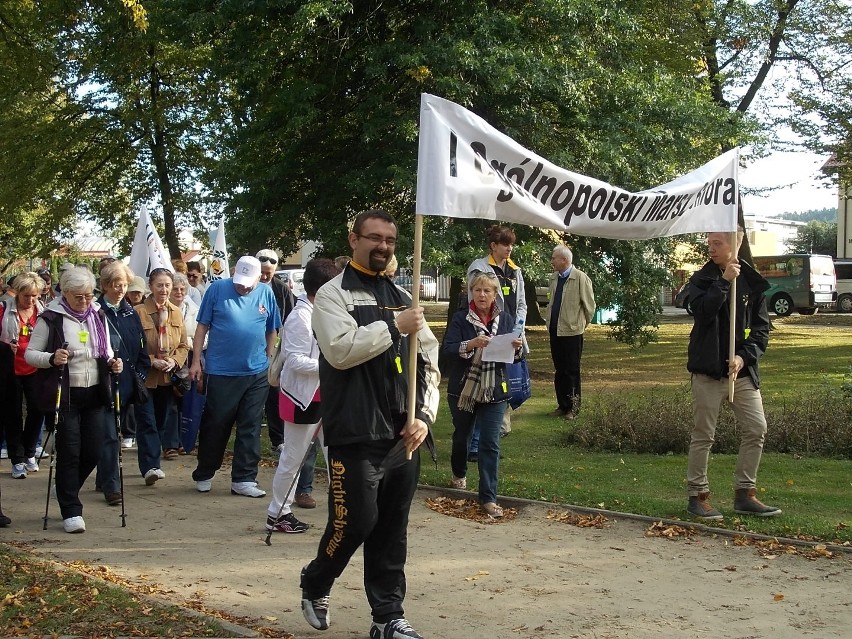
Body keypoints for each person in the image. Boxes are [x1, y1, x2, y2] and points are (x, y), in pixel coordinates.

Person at [300, 209, 440, 639]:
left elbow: (430, 363)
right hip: (355, 432)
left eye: (390, 241)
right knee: (355, 522)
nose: (383, 246)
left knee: (392, 530)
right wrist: (394, 326)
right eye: (374, 238)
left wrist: (424, 416)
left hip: (403, 435)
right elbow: (340, 351)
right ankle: (316, 581)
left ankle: (387, 617)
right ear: (353, 240)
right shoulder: (332, 296)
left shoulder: (403, 294)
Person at [685, 229, 781, 520]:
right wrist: (723, 282)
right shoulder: (701, 280)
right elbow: (702, 312)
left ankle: (744, 493)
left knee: (756, 428)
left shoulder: (752, 284)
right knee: (704, 434)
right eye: (710, 243)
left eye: (718, 243)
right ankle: (697, 496)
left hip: (741, 373)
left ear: (734, 244)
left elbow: (762, 332)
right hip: (708, 371)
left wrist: (743, 357)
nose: (711, 248)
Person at [26, 266, 123, 533]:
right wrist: (51, 358)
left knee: (94, 449)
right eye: (78, 296)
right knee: (69, 450)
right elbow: (30, 354)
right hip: (66, 394)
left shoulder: (98, 315)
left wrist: (115, 363)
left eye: (89, 295)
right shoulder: (51, 318)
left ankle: (66, 488)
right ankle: (71, 510)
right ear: (65, 293)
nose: (84, 301)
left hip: (94, 392)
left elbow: (107, 351)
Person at [190, 256, 280, 497]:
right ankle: (205, 472)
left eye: (247, 283)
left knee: (250, 425)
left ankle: (244, 478)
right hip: (221, 371)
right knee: (217, 423)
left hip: (257, 371)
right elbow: (201, 327)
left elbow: (272, 329)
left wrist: (269, 357)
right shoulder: (217, 290)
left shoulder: (266, 293)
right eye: (239, 282)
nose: (243, 287)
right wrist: (196, 360)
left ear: (259, 277)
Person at [265, 258, 340, 533]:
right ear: (323, 288)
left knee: (338, 456)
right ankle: (277, 513)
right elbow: (294, 360)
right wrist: (331, 366)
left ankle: (343, 509)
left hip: (326, 397)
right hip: (301, 398)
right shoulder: (300, 317)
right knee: (293, 458)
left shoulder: (323, 313)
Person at [444, 271, 522, 519]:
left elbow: (519, 355)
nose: (481, 294)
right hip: (464, 389)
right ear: (471, 293)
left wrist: (517, 349)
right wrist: (471, 344)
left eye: (487, 290)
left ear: (495, 294)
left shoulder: (507, 319)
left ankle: (488, 497)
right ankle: (459, 473)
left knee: (490, 443)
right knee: (462, 437)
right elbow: (447, 350)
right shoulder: (460, 319)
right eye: (477, 290)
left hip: (495, 390)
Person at [466, 225, 527, 447]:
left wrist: (517, 331)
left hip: (509, 334)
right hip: (486, 332)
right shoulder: (479, 268)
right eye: (505, 244)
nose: (510, 248)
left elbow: (521, 304)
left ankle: (496, 432)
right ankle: (475, 442)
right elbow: (473, 302)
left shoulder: (515, 271)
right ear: (493, 246)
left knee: (503, 384)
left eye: (511, 244)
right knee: (483, 387)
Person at [95, 262, 150, 505]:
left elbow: (141, 347)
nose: (120, 290)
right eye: (116, 285)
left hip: (129, 382)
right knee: (109, 435)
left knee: (120, 430)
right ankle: (111, 485)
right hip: (103, 384)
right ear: (105, 286)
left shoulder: (130, 313)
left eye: (124, 285)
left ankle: (103, 477)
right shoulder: (95, 313)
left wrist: (139, 374)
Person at [134, 268, 189, 485]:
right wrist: (150, 359)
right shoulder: (138, 312)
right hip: (145, 378)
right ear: (151, 286)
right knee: (146, 421)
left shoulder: (176, 311)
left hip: (167, 379)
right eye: (160, 285)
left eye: (168, 285)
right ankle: (150, 466)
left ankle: (151, 459)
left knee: (160, 421)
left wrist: (174, 361)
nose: (164, 290)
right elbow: (132, 346)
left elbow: (184, 344)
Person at [0, 273, 46, 478]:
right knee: (13, 414)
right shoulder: (4, 309)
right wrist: (5, 346)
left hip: (35, 367)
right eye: (26, 296)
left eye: (34, 296)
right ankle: (17, 458)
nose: (30, 300)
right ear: (17, 293)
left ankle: (29, 452)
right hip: (11, 368)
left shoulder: (43, 312)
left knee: (38, 408)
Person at [544, 244, 595, 420]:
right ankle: (562, 405)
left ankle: (573, 408)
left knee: (572, 371)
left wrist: (580, 325)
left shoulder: (580, 278)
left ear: (564, 260)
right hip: (555, 331)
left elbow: (589, 307)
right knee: (559, 370)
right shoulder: (554, 278)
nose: (552, 261)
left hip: (572, 333)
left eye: (554, 258)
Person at [256, 248, 296, 453]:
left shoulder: (282, 290)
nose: (263, 277)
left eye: (268, 274)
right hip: (251, 347)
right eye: (261, 272)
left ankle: (277, 439)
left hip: (275, 348)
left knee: (273, 392)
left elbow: (291, 318)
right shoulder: (247, 286)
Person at [170, 272, 205, 453]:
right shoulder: (164, 310)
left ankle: (186, 441)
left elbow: (205, 337)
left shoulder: (195, 310)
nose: (178, 292)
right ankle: (170, 443)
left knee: (190, 403)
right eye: (175, 288)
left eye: (182, 289)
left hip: (191, 359)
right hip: (169, 361)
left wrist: (187, 343)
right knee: (172, 402)